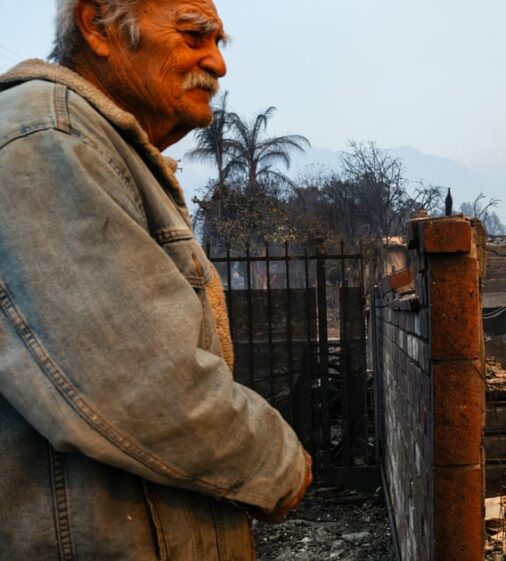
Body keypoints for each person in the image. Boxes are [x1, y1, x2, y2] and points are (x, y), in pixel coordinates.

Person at [0, 1, 311, 558]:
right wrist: (279, 461)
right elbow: (145, 385)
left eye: (219, 42)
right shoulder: (49, 138)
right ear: (97, 25)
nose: (217, 63)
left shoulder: (91, 144)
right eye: (195, 36)